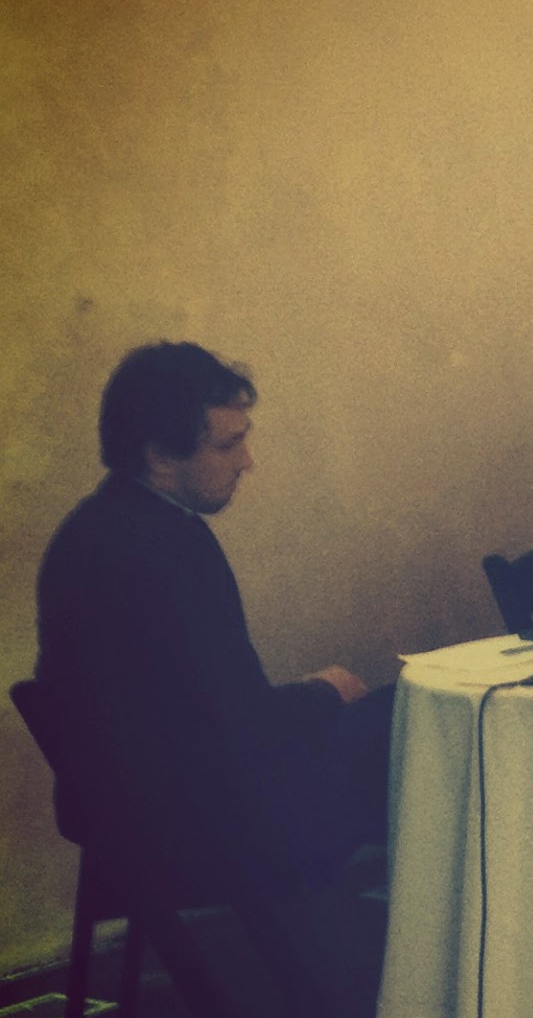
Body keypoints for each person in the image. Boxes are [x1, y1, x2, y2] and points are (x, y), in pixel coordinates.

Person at [34, 342, 390, 898]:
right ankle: (441, 925)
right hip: (202, 828)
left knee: (388, 720)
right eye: (228, 444)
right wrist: (325, 692)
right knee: (410, 723)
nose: (247, 461)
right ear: (160, 457)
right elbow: (243, 729)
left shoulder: (92, 528)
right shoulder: (168, 548)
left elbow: (208, 715)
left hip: (128, 815)